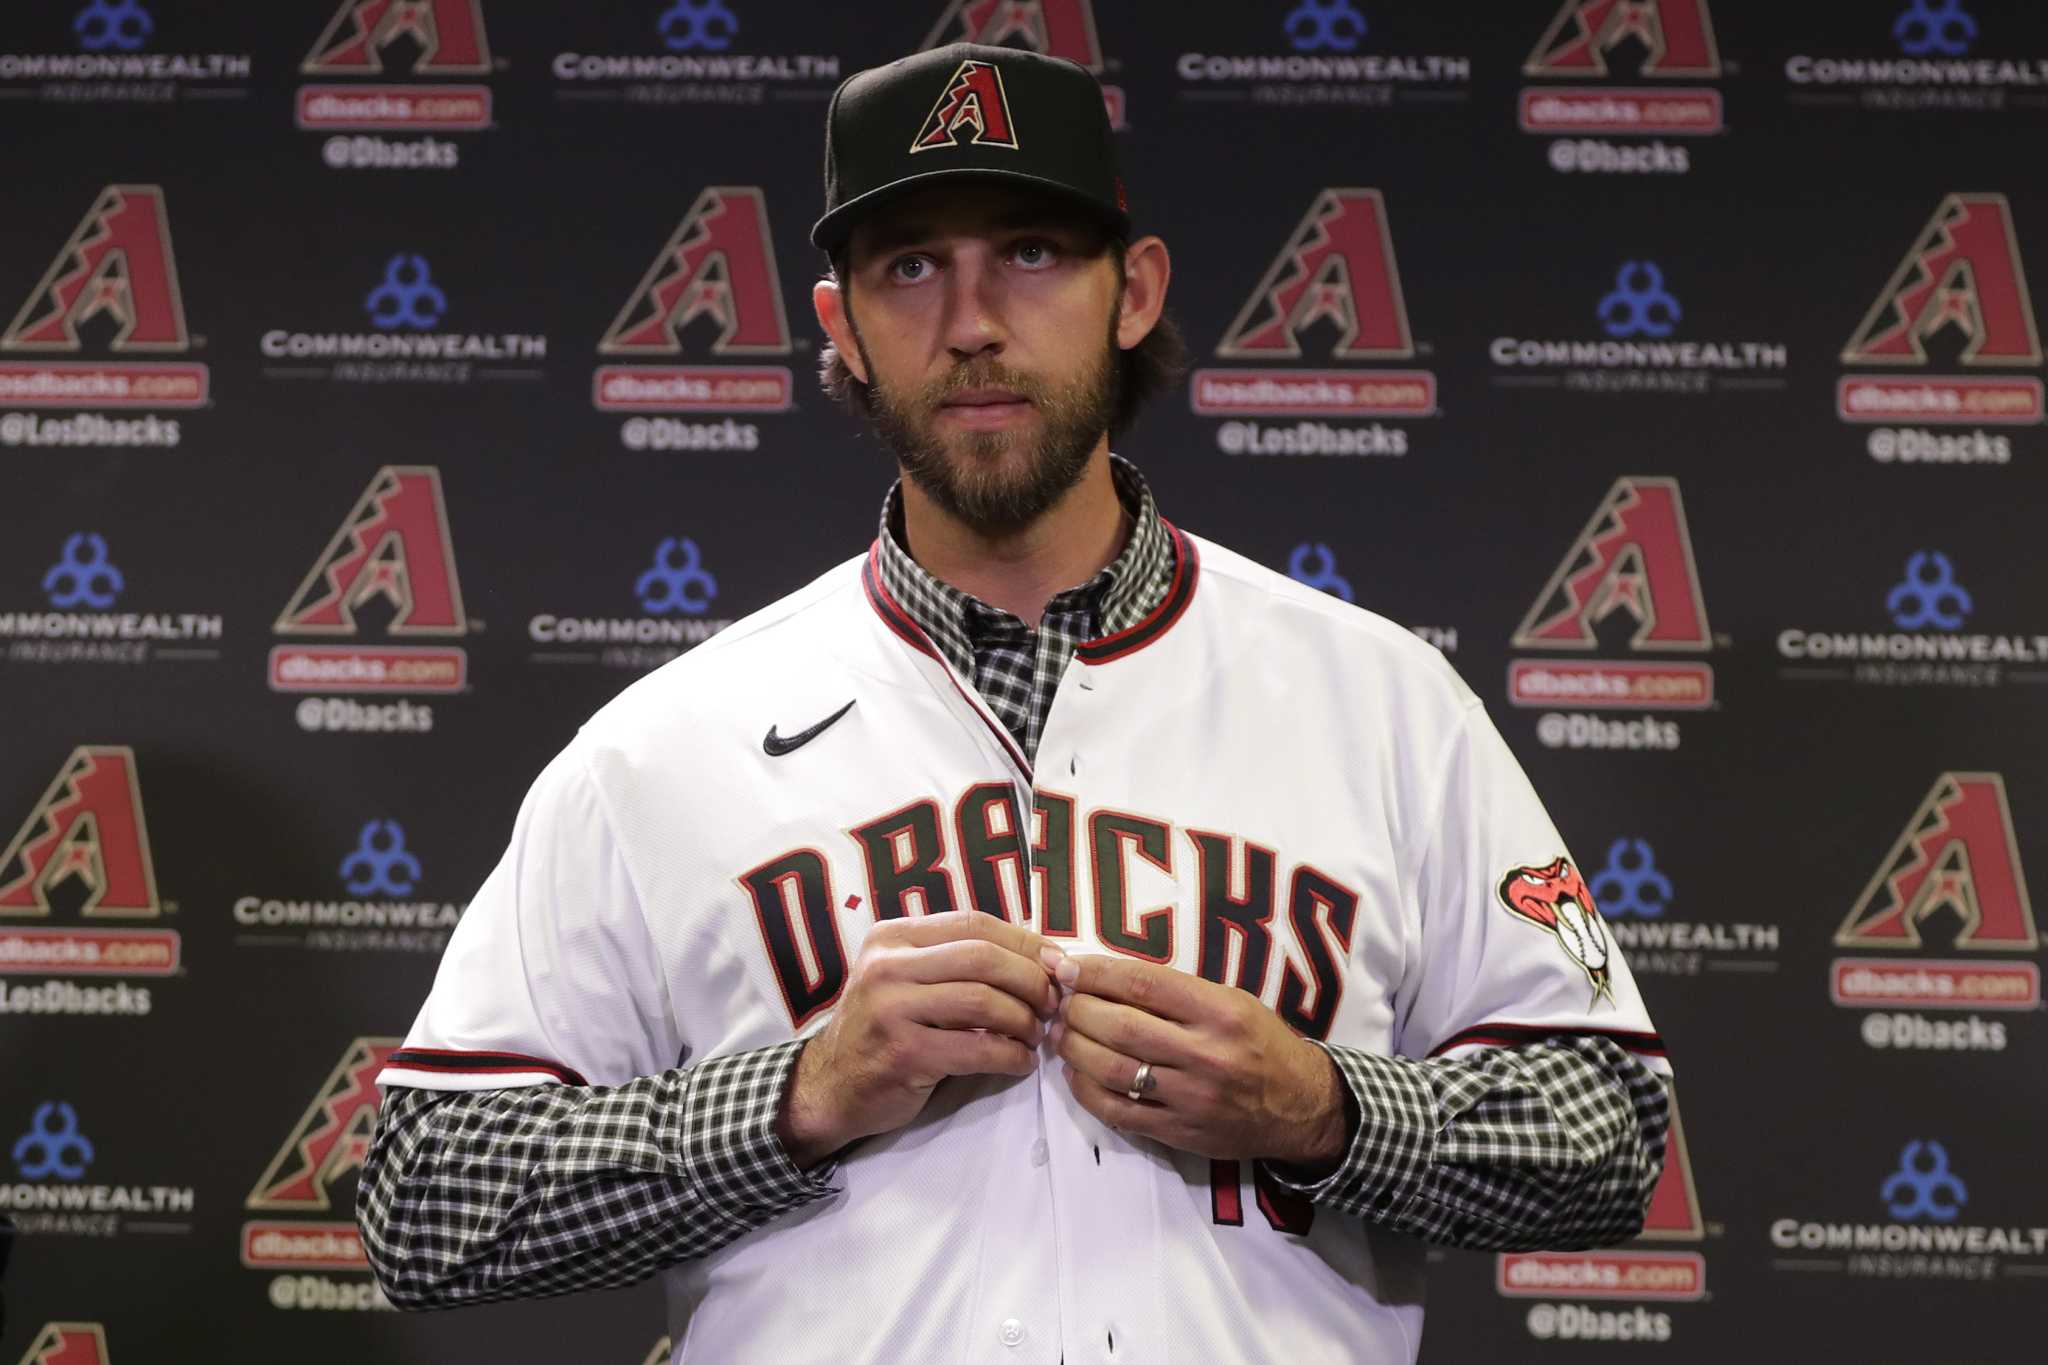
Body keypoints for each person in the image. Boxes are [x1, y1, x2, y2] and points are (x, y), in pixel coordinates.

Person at [357, 42, 1672, 1364]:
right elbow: (424, 1195)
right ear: (842, 327)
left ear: (1134, 291)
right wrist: (797, 1097)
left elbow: (1609, 1127)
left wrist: (1322, 1104)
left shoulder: (1381, 700)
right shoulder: (668, 745)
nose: (973, 320)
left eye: (1033, 251)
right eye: (910, 266)